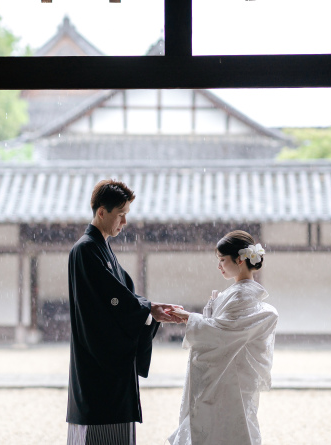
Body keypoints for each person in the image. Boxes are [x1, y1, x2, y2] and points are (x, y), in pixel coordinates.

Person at [66, 179, 183, 445]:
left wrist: (151, 309)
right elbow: (111, 300)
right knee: (99, 430)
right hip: (98, 362)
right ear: (101, 212)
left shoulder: (101, 248)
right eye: (121, 215)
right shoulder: (85, 249)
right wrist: (148, 309)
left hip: (109, 362)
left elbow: (124, 296)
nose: (125, 222)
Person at [165, 230, 279, 445]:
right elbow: (222, 329)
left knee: (223, 426)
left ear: (240, 259)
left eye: (222, 260)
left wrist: (191, 318)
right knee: (227, 426)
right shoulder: (237, 292)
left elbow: (222, 332)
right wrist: (200, 316)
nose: (219, 266)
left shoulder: (242, 295)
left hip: (230, 376)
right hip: (228, 374)